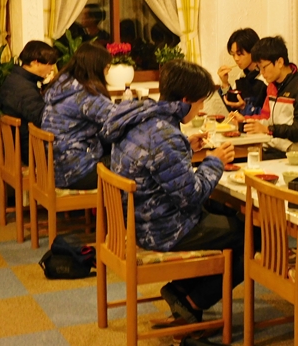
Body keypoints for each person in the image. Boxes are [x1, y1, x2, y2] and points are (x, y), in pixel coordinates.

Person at [105, 60, 239, 325]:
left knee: (224, 212)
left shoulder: (143, 118)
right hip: (160, 229)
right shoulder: (165, 135)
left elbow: (154, 160)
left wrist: (186, 146)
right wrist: (215, 162)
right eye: (199, 103)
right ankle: (191, 301)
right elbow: (191, 197)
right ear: (185, 101)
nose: (200, 109)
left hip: (136, 220)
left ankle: (181, 289)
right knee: (246, 234)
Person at [41, 43, 120, 189]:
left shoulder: (63, 85)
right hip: (76, 172)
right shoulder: (84, 95)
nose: (107, 72)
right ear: (96, 67)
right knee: (134, 165)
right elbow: (120, 117)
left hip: (57, 168)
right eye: (107, 67)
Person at [242, 35, 298, 159]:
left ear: (279, 62)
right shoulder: (275, 85)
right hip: (276, 148)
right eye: (259, 68)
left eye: (264, 67)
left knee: (246, 161)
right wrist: (247, 122)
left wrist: (268, 129)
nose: (262, 73)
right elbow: (272, 121)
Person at [0, 40, 59, 164]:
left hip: (18, 147)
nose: (52, 68)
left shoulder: (14, 78)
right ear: (35, 62)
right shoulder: (24, 89)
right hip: (30, 152)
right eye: (49, 64)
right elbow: (44, 120)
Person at [216, 28, 267, 116]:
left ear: (253, 50)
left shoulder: (266, 78)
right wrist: (225, 83)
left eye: (239, 54)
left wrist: (245, 107)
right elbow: (233, 109)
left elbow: (268, 115)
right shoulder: (241, 77)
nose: (236, 58)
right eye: (233, 54)